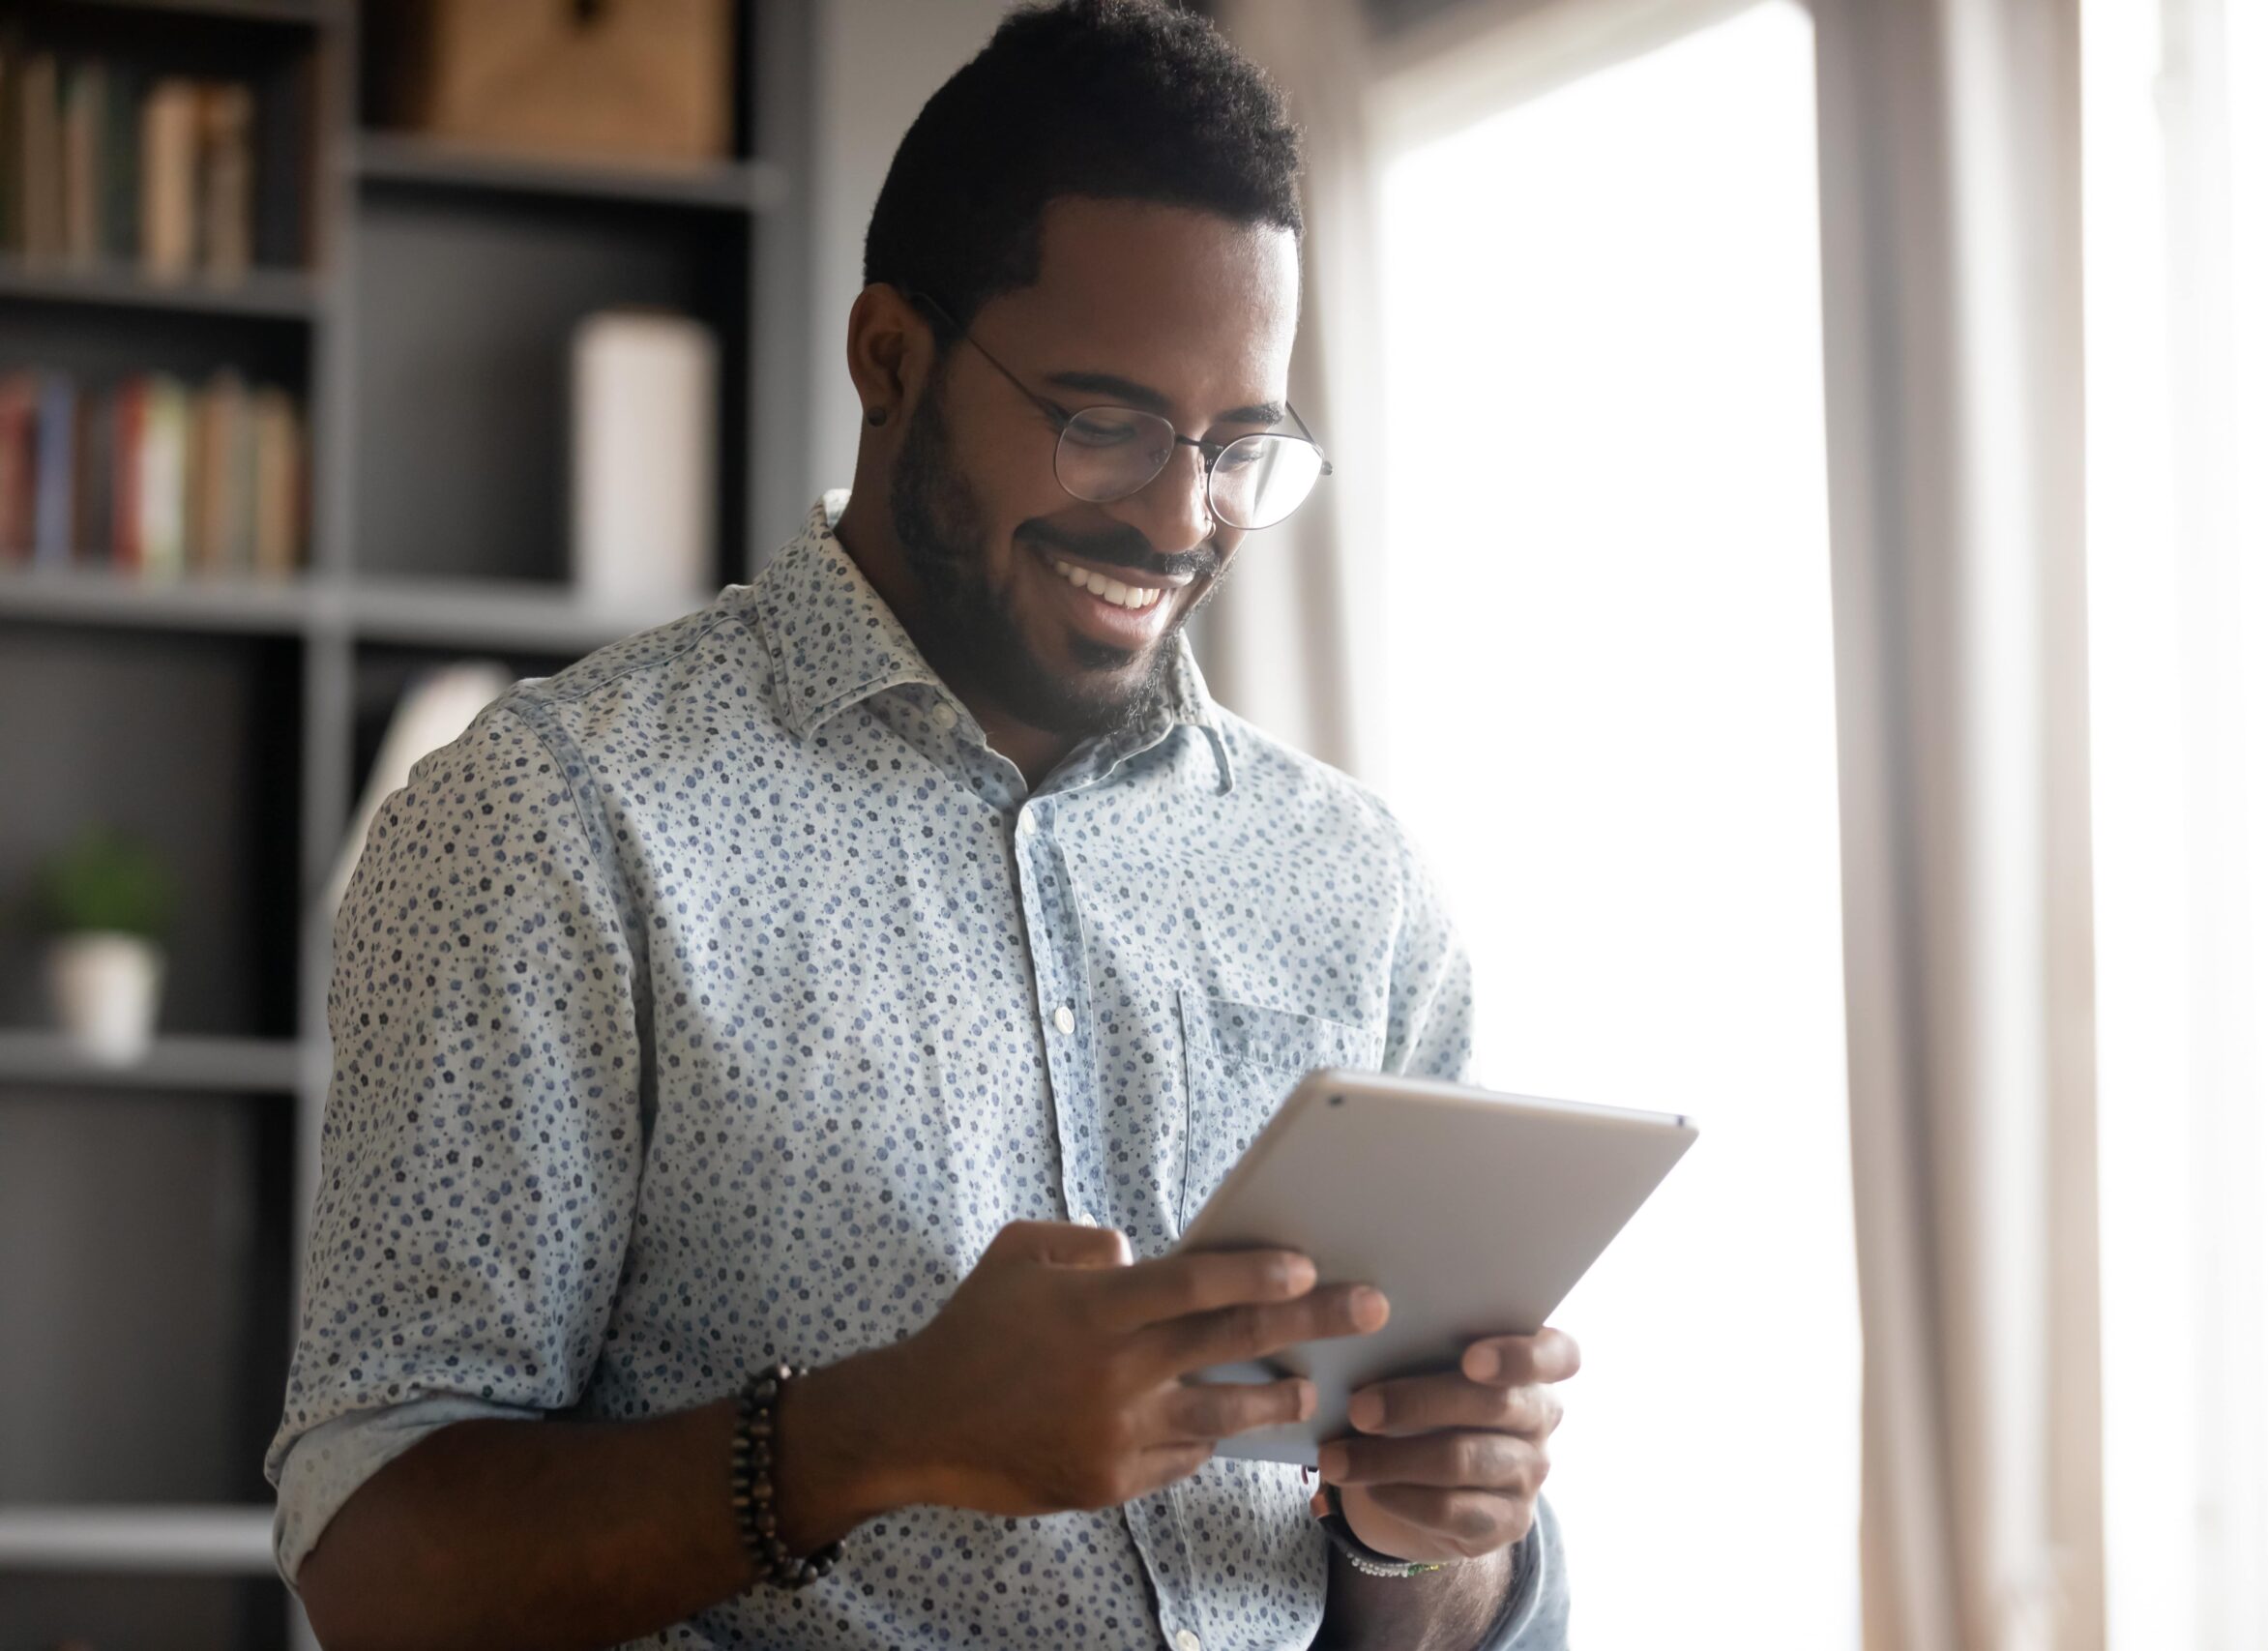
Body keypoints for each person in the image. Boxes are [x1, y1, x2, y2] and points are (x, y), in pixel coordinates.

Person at [264, 4, 1575, 1647]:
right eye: (1104, 423)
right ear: (890, 357)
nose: (1182, 519)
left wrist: (1423, 1534)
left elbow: (1444, 1613)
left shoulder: (1354, 888)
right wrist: (884, 1435)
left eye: (1240, 446)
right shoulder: (555, 822)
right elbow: (374, 1564)